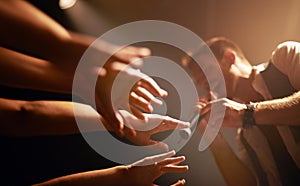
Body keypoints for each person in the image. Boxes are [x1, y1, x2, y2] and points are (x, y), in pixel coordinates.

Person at [183, 36, 300, 185]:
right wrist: (214, 139)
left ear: (229, 58)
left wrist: (248, 114)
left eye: (206, 72)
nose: (204, 84)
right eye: (199, 82)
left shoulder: (285, 58)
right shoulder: (245, 138)